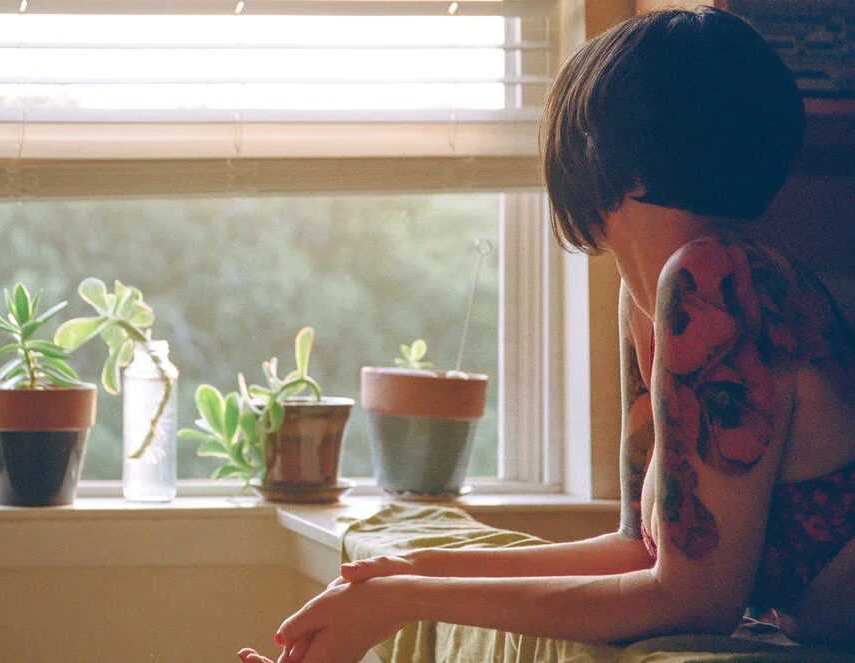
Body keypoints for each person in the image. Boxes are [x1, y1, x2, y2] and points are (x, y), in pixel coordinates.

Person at [239, 6, 855, 662]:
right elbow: (639, 551)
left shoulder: (716, 281)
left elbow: (694, 598)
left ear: (604, 151)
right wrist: (408, 571)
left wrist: (407, 600)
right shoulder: (653, 297)